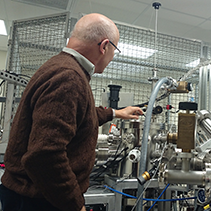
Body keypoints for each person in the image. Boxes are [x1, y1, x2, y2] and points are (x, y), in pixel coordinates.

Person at [0, 13, 143, 211]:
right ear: (104, 46)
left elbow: (79, 115)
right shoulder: (69, 78)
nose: (112, 57)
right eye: (114, 50)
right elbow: (45, 155)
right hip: (39, 200)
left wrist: (116, 113)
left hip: (33, 194)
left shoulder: (60, 66)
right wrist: (75, 205)